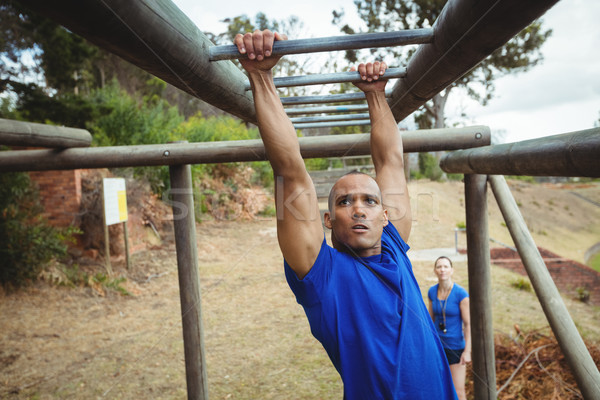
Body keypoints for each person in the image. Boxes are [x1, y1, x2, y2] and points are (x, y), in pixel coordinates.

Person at [234, 29, 457, 399]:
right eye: (343, 202)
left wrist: (376, 94)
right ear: (327, 221)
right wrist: (260, 75)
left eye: (370, 201)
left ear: (385, 214)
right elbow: (290, 170)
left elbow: (390, 160)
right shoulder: (323, 277)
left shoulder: (394, 250)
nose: (358, 208)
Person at [428, 256, 472, 400]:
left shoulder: (461, 294)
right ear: (435, 271)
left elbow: (468, 324)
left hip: (455, 347)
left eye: (446, 266)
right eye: (439, 267)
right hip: (437, 347)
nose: (442, 270)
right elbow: (430, 321)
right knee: (439, 388)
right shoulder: (432, 292)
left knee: (458, 391)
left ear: (451, 270)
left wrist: (467, 351)